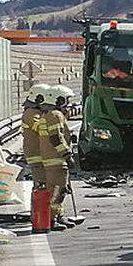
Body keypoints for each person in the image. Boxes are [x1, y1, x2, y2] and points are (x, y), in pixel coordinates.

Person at [38, 85, 75, 230]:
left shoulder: (47, 116)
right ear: (58, 100)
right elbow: (56, 138)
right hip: (57, 160)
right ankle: (52, 219)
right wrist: (67, 155)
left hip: (50, 159)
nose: (67, 103)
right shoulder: (55, 115)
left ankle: (57, 216)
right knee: (59, 190)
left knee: (56, 189)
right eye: (65, 100)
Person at [21, 84, 50, 190]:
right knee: (41, 185)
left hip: (40, 153)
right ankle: (40, 206)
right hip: (36, 154)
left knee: (45, 184)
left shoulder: (36, 112)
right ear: (40, 99)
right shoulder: (31, 113)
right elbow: (41, 128)